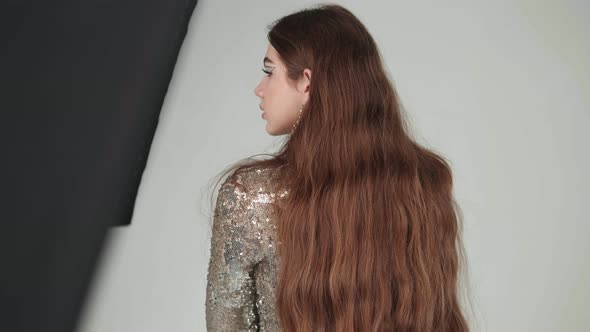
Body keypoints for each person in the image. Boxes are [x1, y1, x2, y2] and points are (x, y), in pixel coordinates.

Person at [205, 3, 471, 331]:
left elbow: (226, 324)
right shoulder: (425, 182)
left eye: (269, 71)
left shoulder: (252, 197)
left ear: (305, 81)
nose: (259, 89)